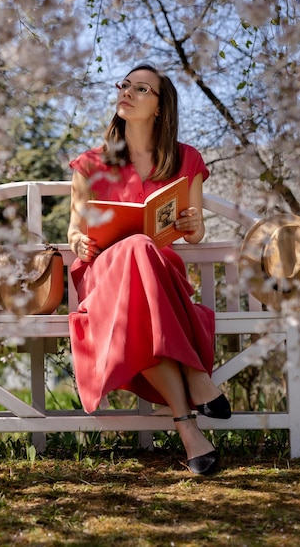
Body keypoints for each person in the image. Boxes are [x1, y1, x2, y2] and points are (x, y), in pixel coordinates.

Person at [67, 64, 231, 475]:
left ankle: (188, 430)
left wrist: (192, 224)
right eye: (125, 85)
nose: (128, 93)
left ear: (160, 107)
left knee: (142, 260)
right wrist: (78, 241)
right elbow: (73, 228)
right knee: (135, 248)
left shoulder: (185, 158)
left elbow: (193, 233)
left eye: (141, 89)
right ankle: (197, 378)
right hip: (104, 275)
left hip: (159, 276)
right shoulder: (90, 164)